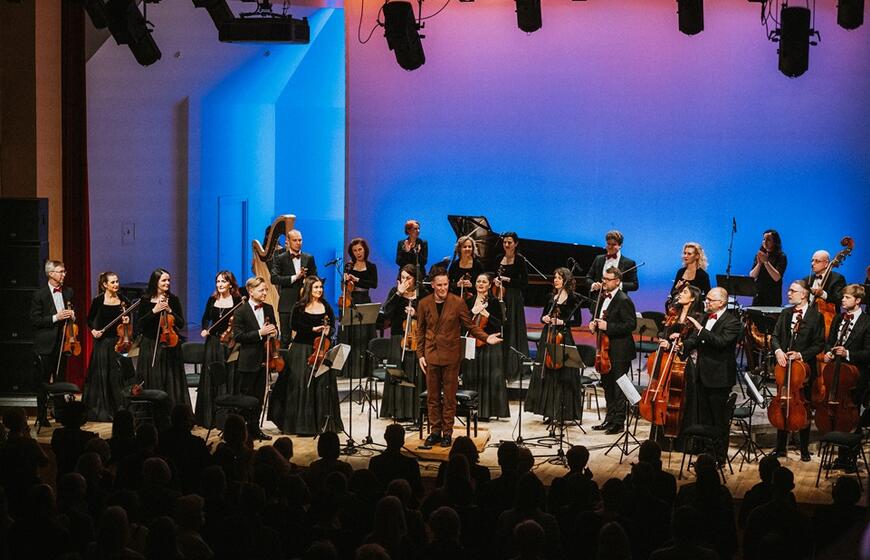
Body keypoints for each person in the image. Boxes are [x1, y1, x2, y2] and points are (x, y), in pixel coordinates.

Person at [416, 267, 502, 447]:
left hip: (451, 356)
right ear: (433, 285)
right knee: (432, 397)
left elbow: (470, 326)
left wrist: (486, 338)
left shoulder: (458, 302)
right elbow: (421, 331)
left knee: (449, 397)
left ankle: (447, 433)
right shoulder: (424, 303)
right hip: (431, 355)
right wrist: (420, 354)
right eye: (439, 285)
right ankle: (435, 431)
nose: (443, 288)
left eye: (445, 284)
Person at [271, 276, 342, 435]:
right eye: (316, 287)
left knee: (322, 385)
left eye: (320, 287)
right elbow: (294, 325)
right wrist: (312, 329)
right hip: (301, 350)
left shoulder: (326, 306)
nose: (319, 290)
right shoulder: (299, 306)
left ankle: (321, 424)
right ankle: (301, 425)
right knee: (301, 385)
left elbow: (332, 326)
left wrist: (328, 331)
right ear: (309, 288)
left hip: (321, 350)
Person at [681, 287, 742, 459]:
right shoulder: (706, 317)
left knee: (719, 420)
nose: (706, 302)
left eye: (710, 299)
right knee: (705, 418)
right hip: (702, 374)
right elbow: (695, 339)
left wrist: (701, 330)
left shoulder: (732, 322)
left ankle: (719, 457)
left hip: (719, 378)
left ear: (721, 302)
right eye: (706, 298)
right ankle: (706, 455)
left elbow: (720, 342)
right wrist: (682, 345)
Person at [771, 280, 824, 461]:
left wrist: (800, 355)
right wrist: (778, 351)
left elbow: (819, 344)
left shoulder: (816, 316)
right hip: (784, 368)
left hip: (803, 371)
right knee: (783, 403)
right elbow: (775, 336)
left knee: (804, 406)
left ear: (803, 294)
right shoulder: (786, 313)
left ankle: (804, 449)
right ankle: (780, 447)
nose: (788, 293)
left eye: (792, 291)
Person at [821, 284, 869, 471]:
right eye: (843, 297)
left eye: (847, 297)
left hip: (856, 378)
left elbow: (868, 352)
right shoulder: (838, 318)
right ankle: (838, 456)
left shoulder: (867, 322)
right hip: (836, 374)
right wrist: (829, 352)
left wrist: (847, 353)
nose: (843, 300)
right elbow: (830, 342)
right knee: (836, 415)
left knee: (851, 418)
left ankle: (850, 458)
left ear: (858, 301)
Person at [525, 267, 583, 424]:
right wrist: (544, 318)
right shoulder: (551, 297)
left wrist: (562, 322)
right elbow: (542, 317)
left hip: (563, 336)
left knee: (564, 373)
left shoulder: (573, 298)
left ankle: (563, 413)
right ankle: (549, 412)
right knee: (547, 372)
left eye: (559, 278)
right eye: (555, 277)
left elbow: (578, 321)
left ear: (566, 280)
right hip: (548, 334)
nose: (555, 280)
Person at [590, 267, 637, 434]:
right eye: (603, 278)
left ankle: (618, 423)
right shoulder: (602, 297)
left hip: (620, 350)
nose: (604, 282)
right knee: (608, 386)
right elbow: (600, 318)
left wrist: (608, 326)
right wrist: (594, 324)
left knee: (618, 388)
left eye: (608, 279)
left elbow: (631, 325)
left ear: (617, 281)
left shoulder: (623, 299)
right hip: (605, 350)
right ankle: (609, 419)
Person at [29, 259, 76, 427]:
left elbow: (72, 312)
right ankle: (41, 416)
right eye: (61, 272)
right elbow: (35, 320)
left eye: (64, 271)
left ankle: (60, 413)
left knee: (60, 379)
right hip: (45, 344)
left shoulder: (68, 292)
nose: (64, 274)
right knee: (43, 381)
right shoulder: (39, 295)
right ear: (50, 274)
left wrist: (72, 315)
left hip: (63, 343)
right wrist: (56, 317)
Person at [135, 268, 189, 411]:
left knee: (170, 379)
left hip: (170, 345)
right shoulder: (145, 300)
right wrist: (154, 310)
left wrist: (170, 310)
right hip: (150, 345)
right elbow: (140, 324)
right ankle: (151, 411)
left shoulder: (174, 300)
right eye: (164, 280)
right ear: (155, 282)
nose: (167, 283)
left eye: (169, 280)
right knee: (153, 377)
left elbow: (181, 323)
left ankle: (170, 411)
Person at [195, 270, 243, 429]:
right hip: (213, 343)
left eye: (223, 281)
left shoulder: (237, 300)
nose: (220, 284)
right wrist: (204, 329)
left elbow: (240, 321)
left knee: (228, 376)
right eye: (218, 281)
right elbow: (205, 318)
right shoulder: (212, 300)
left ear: (230, 284)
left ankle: (226, 419)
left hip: (229, 343)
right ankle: (209, 417)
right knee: (212, 377)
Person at [231, 276, 277, 441]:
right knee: (246, 398)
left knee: (259, 398)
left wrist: (275, 331)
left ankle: (255, 428)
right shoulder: (240, 311)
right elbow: (238, 336)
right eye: (261, 290)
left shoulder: (269, 308)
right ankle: (243, 431)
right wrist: (259, 333)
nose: (265, 293)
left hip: (265, 359)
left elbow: (275, 328)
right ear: (251, 291)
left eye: (265, 290)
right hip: (248, 361)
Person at [83, 271, 131, 421]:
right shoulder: (98, 301)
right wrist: (94, 331)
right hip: (103, 343)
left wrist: (127, 320)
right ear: (105, 285)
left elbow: (129, 319)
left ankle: (120, 409)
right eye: (113, 282)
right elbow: (89, 320)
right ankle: (103, 410)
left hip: (118, 342)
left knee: (117, 376)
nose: (116, 284)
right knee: (103, 375)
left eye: (117, 281)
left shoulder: (123, 300)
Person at [460, 273, 509, 419]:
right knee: (471, 376)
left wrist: (487, 314)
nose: (481, 284)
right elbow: (461, 322)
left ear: (489, 285)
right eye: (478, 281)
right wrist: (472, 312)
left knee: (488, 378)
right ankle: (470, 409)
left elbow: (501, 325)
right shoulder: (469, 301)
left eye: (484, 282)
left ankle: (487, 411)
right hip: (471, 343)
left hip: (489, 344)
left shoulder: (494, 302)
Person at [379, 265, 421, 421]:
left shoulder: (421, 293)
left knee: (413, 372)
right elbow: (386, 312)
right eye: (402, 277)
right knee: (397, 371)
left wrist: (416, 314)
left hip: (416, 339)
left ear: (415, 279)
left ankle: (413, 410)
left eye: (408, 278)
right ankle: (397, 410)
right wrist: (399, 293)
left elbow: (429, 315)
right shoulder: (394, 292)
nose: (405, 281)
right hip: (398, 337)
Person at [743, 466, 812, 560]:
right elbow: (807, 552)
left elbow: (748, 550)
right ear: (792, 487)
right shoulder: (802, 519)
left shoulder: (756, 515)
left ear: (772, 487)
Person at [339, 237, 379, 380]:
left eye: (360, 249)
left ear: (365, 250)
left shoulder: (371, 266)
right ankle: (351, 370)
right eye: (355, 250)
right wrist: (345, 280)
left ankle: (367, 370)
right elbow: (343, 287)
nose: (358, 253)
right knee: (352, 335)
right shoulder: (349, 266)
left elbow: (374, 284)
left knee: (365, 335)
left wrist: (357, 280)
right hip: (351, 301)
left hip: (364, 300)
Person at [270, 229, 318, 346]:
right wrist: (295, 277)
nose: (298, 243)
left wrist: (307, 281)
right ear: (288, 241)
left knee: (305, 336)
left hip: (304, 303)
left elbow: (315, 277)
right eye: (295, 240)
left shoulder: (309, 258)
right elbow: (274, 279)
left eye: (300, 240)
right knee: (285, 338)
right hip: (287, 303)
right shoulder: (280, 258)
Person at [494, 231, 531, 382]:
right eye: (505, 242)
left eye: (509, 242)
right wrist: (495, 280)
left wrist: (508, 279)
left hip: (514, 299)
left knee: (513, 329)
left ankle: (514, 368)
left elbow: (525, 283)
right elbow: (492, 275)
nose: (507, 245)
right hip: (499, 296)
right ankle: (499, 367)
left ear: (515, 243)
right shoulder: (498, 258)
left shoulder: (520, 260)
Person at [368, 424, 423, 498]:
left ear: (385, 437)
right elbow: (418, 492)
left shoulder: (375, 462)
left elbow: (372, 490)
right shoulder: (411, 464)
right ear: (403, 442)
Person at [586, 230, 639, 296]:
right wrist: (594, 285)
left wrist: (617, 284)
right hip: (598, 299)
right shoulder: (598, 259)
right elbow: (588, 278)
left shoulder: (629, 263)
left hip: (618, 300)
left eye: (614, 244)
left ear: (620, 245)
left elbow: (634, 285)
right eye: (608, 244)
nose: (610, 247)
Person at [749, 229, 788, 306]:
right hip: (758, 295)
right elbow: (752, 275)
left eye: (768, 240)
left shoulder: (781, 256)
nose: (765, 242)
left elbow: (776, 277)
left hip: (773, 296)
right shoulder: (759, 255)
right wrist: (759, 264)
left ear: (775, 242)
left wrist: (766, 262)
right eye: (764, 239)